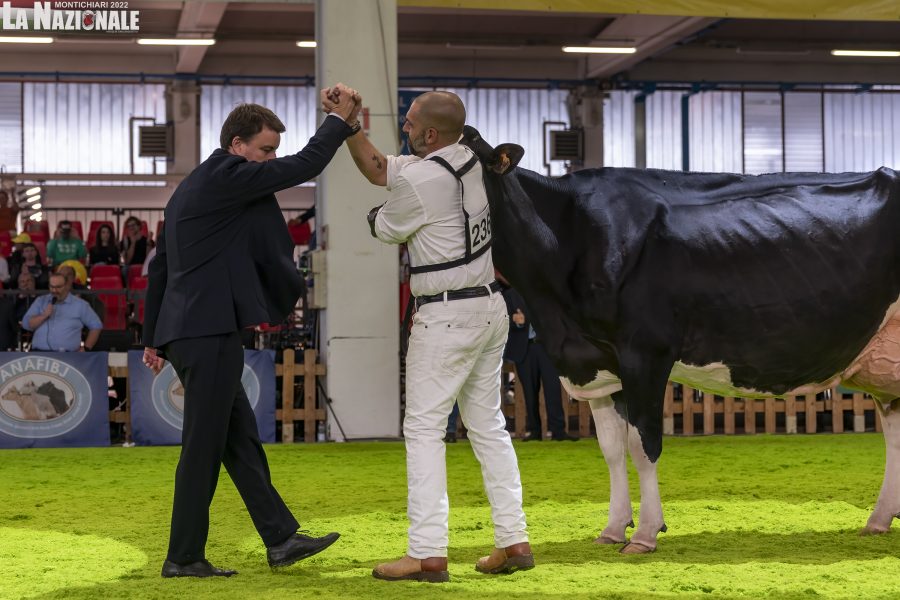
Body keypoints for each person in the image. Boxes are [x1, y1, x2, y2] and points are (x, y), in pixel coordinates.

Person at [142, 88, 361, 579]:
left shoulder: (190, 188)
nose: (272, 160)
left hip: (192, 330)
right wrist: (339, 122)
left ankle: (280, 539)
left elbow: (161, 270)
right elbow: (304, 165)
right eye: (265, 150)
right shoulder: (227, 175)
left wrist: (153, 338)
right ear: (237, 145)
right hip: (208, 329)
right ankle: (183, 556)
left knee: (238, 440)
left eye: (273, 151)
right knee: (203, 446)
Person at [332, 88, 533, 582]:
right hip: (489, 307)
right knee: (488, 426)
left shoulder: (421, 179)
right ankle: (514, 539)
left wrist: (377, 214)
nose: (403, 127)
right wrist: (352, 126)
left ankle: (426, 552)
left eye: (409, 122)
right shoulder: (473, 159)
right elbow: (381, 169)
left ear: (429, 134)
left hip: (445, 315)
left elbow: (385, 227)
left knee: (424, 430)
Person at [500, 277, 578, 442]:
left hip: (546, 347)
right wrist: (515, 321)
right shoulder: (510, 295)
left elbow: (554, 317)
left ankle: (558, 431)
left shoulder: (547, 292)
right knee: (529, 392)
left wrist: (526, 319)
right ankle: (534, 431)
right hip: (524, 349)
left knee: (553, 390)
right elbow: (502, 320)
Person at [21, 272, 102, 352]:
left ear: (67, 286)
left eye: (58, 287)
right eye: (52, 287)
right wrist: (43, 316)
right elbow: (26, 324)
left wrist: (86, 348)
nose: (54, 290)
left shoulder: (80, 305)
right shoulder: (41, 301)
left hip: (67, 355)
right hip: (39, 354)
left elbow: (96, 326)